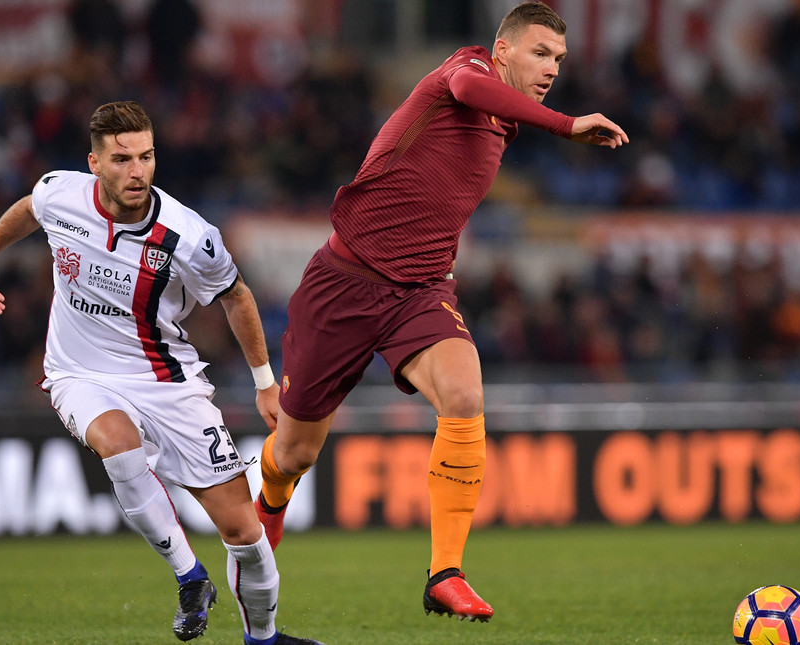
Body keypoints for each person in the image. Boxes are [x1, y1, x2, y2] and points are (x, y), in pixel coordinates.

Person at [254, 1, 629, 623]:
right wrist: (564, 126)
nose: (551, 69)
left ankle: (444, 573)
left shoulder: (502, 122)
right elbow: (467, 86)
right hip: (343, 283)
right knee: (294, 454)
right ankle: (266, 509)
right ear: (502, 50)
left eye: (559, 60)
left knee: (464, 395)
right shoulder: (463, 72)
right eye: (540, 53)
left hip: (421, 292)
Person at [0, 101, 323, 645]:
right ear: (95, 163)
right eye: (122, 159)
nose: (138, 171)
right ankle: (189, 577)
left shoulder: (189, 236)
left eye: (147, 157)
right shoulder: (63, 193)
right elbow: (30, 209)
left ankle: (263, 639)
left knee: (245, 534)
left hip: (167, 382)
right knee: (118, 444)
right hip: (78, 372)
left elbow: (236, 296)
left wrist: (265, 381)